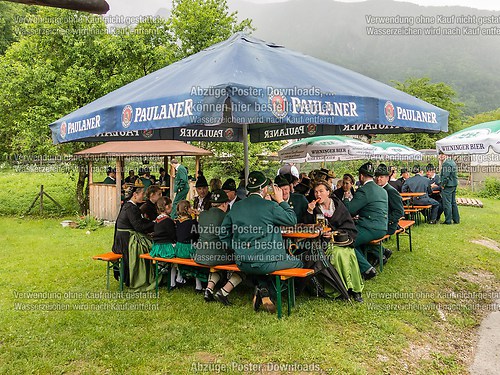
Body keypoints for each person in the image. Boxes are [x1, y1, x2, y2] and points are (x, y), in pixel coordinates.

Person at [220, 171, 301, 313]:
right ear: (264, 189)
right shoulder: (270, 206)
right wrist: (281, 201)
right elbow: (292, 220)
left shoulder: (237, 206)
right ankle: (268, 291)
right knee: (299, 262)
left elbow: (223, 233)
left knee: (259, 267)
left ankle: (263, 290)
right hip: (267, 262)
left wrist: (236, 247)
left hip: (242, 262)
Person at [303, 181, 363, 302]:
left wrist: (334, 233)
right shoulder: (314, 208)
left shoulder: (338, 205)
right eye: (315, 191)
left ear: (328, 192)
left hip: (340, 240)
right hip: (321, 242)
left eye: (321, 191)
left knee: (348, 253)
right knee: (337, 254)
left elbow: (348, 226)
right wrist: (309, 211)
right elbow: (307, 227)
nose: (317, 194)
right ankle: (340, 289)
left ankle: (355, 289)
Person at [194, 190, 243, 305]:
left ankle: (208, 290)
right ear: (225, 204)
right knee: (243, 265)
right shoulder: (227, 216)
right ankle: (224, 292)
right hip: (217, 256)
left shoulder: (202, 215)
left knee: (216, 266)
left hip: (200, 255)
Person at [343, 162, 388, 280]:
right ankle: (376, 256)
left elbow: (350, 210)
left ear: (361, 176)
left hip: (369, 228)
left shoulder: (363, 190)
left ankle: (367, 269)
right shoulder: (382, 190)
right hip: (383, 227)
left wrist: (346, 198)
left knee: (346, 241)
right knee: (354, 240)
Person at [112, 186, 155, 290]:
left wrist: (150, 223)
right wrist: (153, 224)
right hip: (126, 240)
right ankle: (143, 276)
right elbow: (138, 226)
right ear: (135, 195)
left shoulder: (129, 206)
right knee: (148, 246)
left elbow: (139, 222)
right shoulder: (130, 207)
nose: (143, 196)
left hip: (122, 237)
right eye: (142, 194)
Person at [174, 200, 205, 292]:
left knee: (180, 262)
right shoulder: (192, 223)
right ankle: (198, 285)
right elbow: (197, 235)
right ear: (188, 209)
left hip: (179, 249)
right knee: (197, 262)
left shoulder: (177, 222)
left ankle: (179, 278)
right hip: (188, 250)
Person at [439, 152, 460, 224]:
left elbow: (445, 176)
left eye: (442, 154)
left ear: (446, 155)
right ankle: (456, 219)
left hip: (448, 185)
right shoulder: (452, 162)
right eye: (440, 155)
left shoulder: (446, 163)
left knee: (447, 203)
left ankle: (448, 220)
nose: (440, 156)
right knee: (453, 202)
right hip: (453, 184)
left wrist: (442, 185)